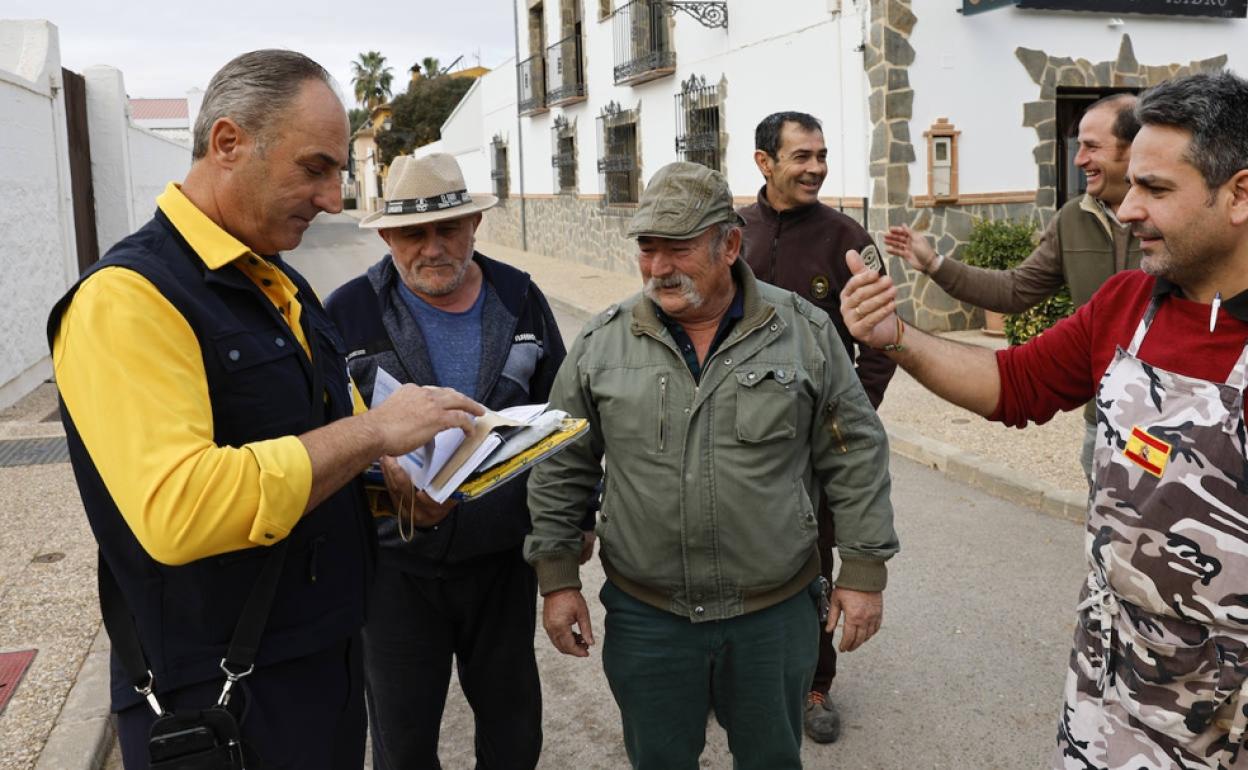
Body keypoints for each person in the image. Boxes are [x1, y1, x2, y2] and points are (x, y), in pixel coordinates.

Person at [48, 50, 483, 769]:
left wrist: (390, 490)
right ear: (228, 143)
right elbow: (181, 508)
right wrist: (376, 429)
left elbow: (311, 440)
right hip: (218, 701)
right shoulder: (126, 300)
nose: (334, 199)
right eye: (315, 168)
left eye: (338, 173)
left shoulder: (277, 282)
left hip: (317, 667)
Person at [839, 72, 1248, 769]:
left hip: (1224, 722)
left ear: (1239, 194)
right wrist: (894, 337)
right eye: (1132, 185)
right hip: (1107, 685)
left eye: (1155, 189)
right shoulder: (1126, 303)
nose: (1128, 210)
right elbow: (1013, 384)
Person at [525, 161, 899, 769]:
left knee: (771, 761)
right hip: (649, 619)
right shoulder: (602, 343)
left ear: (729, 245)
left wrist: (863, 570)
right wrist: (558, 576)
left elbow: (853, 451)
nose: (659, 267)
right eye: (648, 249)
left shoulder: (802, 332)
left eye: (679, 248)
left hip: (772, 617)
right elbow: (561, 464)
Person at [324, 152, 569, 769]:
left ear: (474, 225)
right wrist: (381, 476)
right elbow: (322, 438)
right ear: (387, 236)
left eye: (448, 228)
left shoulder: (520, 297)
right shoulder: (347, 312)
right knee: (404, 745)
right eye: (413, 233)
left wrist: (571, 527)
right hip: (395, 571)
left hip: (502, 563)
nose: (432, 248)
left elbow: (563, 417)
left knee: (514, 736)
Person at [738, 110, 897, 743]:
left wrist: (846, 423)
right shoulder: (731, 234)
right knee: (736, 555)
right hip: (737, 441)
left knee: (814, 564)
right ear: (764, 162)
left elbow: (881, 344)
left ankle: (813, 682)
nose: (816, 168)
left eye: (822, 155)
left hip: (816, 449)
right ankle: (736, 676)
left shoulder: (848, 238)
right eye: (801, 156)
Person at [882, 93, 1141, 482]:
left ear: (1133, 148)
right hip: (1104, 419)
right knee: (1105, 521)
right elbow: (1015, 290)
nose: (1078, 159)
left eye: (1091, 146)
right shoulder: (1072, 219)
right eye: (1078, 146)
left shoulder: (1172, 219)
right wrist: (934, 263)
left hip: (1174, 419)